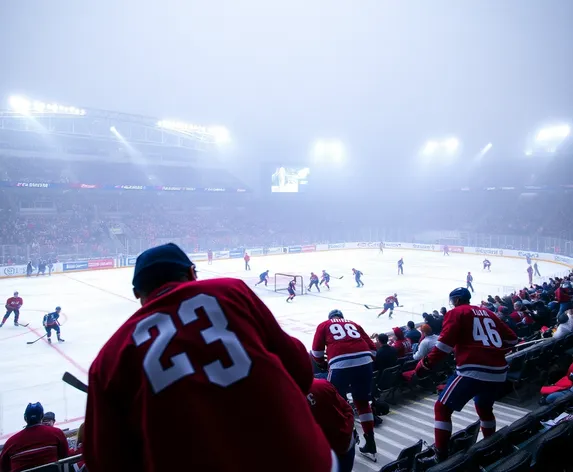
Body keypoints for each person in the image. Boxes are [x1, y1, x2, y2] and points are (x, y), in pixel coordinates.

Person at [83, 243, 336, 472]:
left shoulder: (108, 359)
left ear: (137, 294)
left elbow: (105, 462)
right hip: (299, 459)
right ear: (193, 274)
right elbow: (301, 372)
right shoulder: (231, 290)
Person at [415, 287, 518, 463]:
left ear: (456, 300)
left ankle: (440, 456)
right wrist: (492, 351)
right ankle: (489, 445)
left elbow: (443, 346)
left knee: (441, 408)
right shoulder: (488, 312)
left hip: (473, 370)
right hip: (499, 372)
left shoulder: (456, 313)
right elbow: (512, 340)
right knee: (484, 408)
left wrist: (425, 365)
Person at [311, 309, 378, 461]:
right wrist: (364, 363)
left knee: (338, 404)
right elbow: (373, 350)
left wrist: (323, 364)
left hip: (340, 364)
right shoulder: (354, 324)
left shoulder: (324, 325)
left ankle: (349, 436)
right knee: (362, 402)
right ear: (342, 317)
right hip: (365, 362)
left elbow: (316, 352)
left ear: (330, 318)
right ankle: (370, 441)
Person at [0, 402, 69, 472]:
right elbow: (64, 455)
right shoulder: (56, 433)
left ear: (25, 418)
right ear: (42, 416)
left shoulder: (10, 443)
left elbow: (3, 467)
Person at [307, 379, 356, 472]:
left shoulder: (282, 399)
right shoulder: (321, 385)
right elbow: (347, 410)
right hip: (343, 444)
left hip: (319, 456)